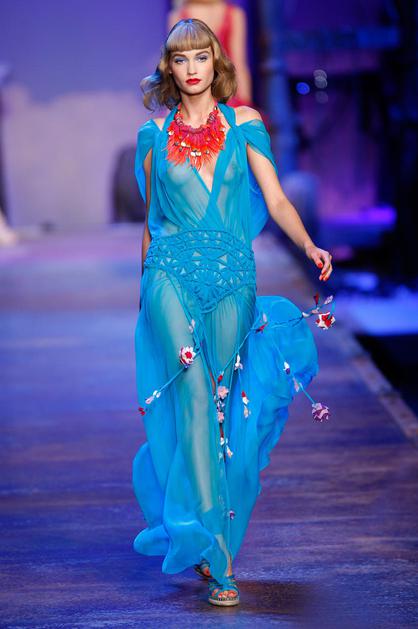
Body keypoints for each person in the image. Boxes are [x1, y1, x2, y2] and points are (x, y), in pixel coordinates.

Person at [132, 18, 333, 607]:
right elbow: (152, 222)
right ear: (169, 68)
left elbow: (275, 199)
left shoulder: (245, 125)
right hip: (170, 274)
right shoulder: (152, 135)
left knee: (219, 410)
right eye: (180, 59)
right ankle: (217, 559)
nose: (191, 68)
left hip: (232, 279)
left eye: (201, 56)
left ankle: (204, 527)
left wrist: (308, 245)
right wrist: (143, 290)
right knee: (194, 394)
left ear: (215, 62)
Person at [168, 0, 252, 106]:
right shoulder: (234, 14)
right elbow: (238, 65)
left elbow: (176, 65)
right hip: (226, 94)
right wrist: (245, 103)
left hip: (198, 98)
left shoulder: (178, 16)